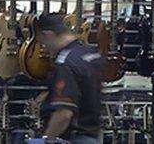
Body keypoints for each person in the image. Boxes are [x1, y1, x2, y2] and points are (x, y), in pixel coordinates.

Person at [36, 13, 105, 143]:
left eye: (43, 42)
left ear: (48, 35)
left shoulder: (65, 62)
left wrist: (45, 139)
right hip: (91, 136)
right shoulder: (90, 54)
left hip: (73, 138)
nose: (44, 48)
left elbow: (64, 114)